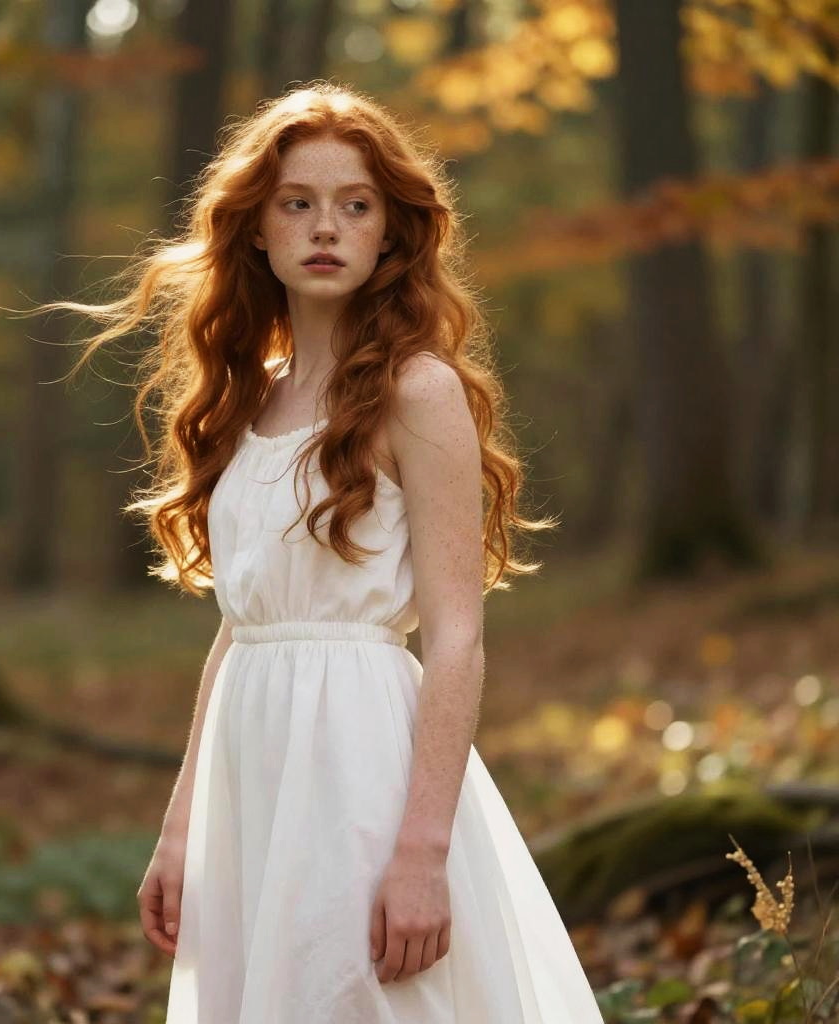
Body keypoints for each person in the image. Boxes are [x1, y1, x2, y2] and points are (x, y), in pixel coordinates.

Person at [46, 81, 605, 1022]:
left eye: (355, 205)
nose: (325, 227)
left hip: (365, 769)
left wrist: (423, 849)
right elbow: (243, 629)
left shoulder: (416, 392)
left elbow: (459, 639)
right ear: (256, 228)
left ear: (391, 231)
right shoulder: (246, 400)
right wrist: (183, 825)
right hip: (251, 771)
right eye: (297, 203)